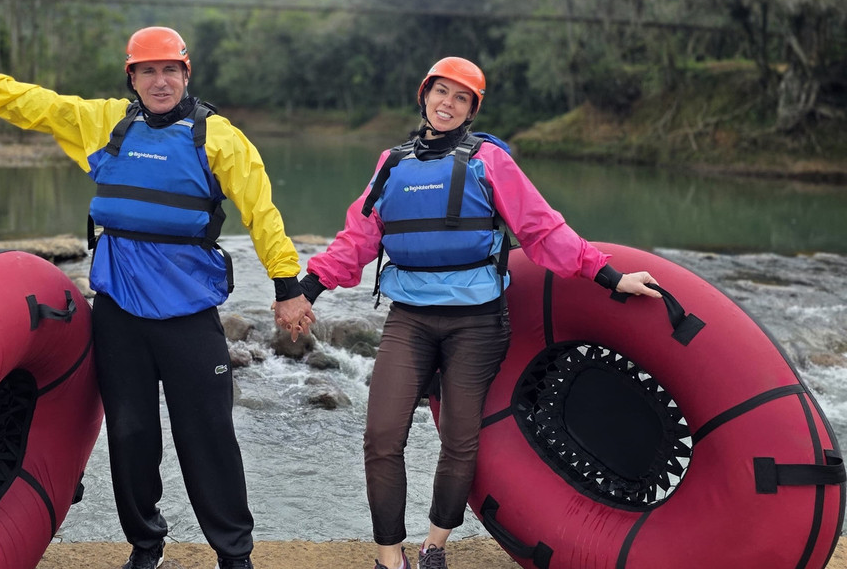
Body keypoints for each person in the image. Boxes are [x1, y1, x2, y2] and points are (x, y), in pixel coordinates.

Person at [0, 27, 313, 569]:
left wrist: (287, 287)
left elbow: (261, 213)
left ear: (186, 74)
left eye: (170, 70)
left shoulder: (219, 138)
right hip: (119, 314)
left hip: (189, 316)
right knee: (129, 434)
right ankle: (146, 546)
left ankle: (233, 555)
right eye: (147, 71)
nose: (160, 80)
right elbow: (36, 104)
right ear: (132, 77)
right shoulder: (107, 124)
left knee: (210, 437)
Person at [272, 56, 661, 569]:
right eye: (441, 92)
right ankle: (390, 558)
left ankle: (435, 546)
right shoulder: (391, 164)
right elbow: (356, 242)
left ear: (472, 109)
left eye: (461, 98)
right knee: (382, 436)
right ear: (424, 95)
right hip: (409, 318)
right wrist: (307, 291)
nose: (448, 104)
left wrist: (610, 275)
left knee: (459, 438)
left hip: (476, 322)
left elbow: (543, 231)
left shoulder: (490, 161)